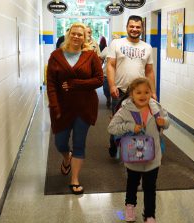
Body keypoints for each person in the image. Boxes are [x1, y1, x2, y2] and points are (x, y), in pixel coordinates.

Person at [46, 22, 103, 195]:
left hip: (84, 107)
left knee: (79, 144)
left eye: (81, 34)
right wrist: (54, 104)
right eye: (74, 33)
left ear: (85, 38)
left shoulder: (90, 56)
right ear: (68, 34)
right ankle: (66, 158)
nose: (77, 36)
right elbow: (51, 84)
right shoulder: (56, 56)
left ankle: (75, 179)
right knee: (60, 142)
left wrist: (75, 84)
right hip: (62, 107)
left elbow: (99, 80)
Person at [107, 77, 170, 223]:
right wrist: (129, 126)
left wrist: (164, 122)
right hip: (133, 157)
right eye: (138, 92)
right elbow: (111, 127)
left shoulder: (156, 108)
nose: (143, 96)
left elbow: (167, 120)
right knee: (132, 183)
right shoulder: (125, 110)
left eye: (146, 92)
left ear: (151, 93)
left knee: (150, 187)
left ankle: (149, 215)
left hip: (153, 158)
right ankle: (130, 206)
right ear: (131, 94)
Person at [106, 15, 157, 157]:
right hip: (120, 90)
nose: (134, 29)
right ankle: (114, 144)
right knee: (118, 120)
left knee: (139, 122)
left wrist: (153, 91)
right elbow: (110, 65)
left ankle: (135, 150)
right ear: (127, 27)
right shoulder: (116, 43)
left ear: (142, 28)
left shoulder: (147, 47)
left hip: (140, 93)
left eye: (138, 27)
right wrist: (112, 85)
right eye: (132, 26)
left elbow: (149, 71)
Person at [99, 34, 120, 108]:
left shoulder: (121, 49)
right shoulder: (106, 49)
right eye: (114, 40)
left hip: (117, 76)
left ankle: (114, 109)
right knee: (106, 90)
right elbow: (100, 60)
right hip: (106, 74)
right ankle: (108, 98)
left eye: (117, 40)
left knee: (115, 93)